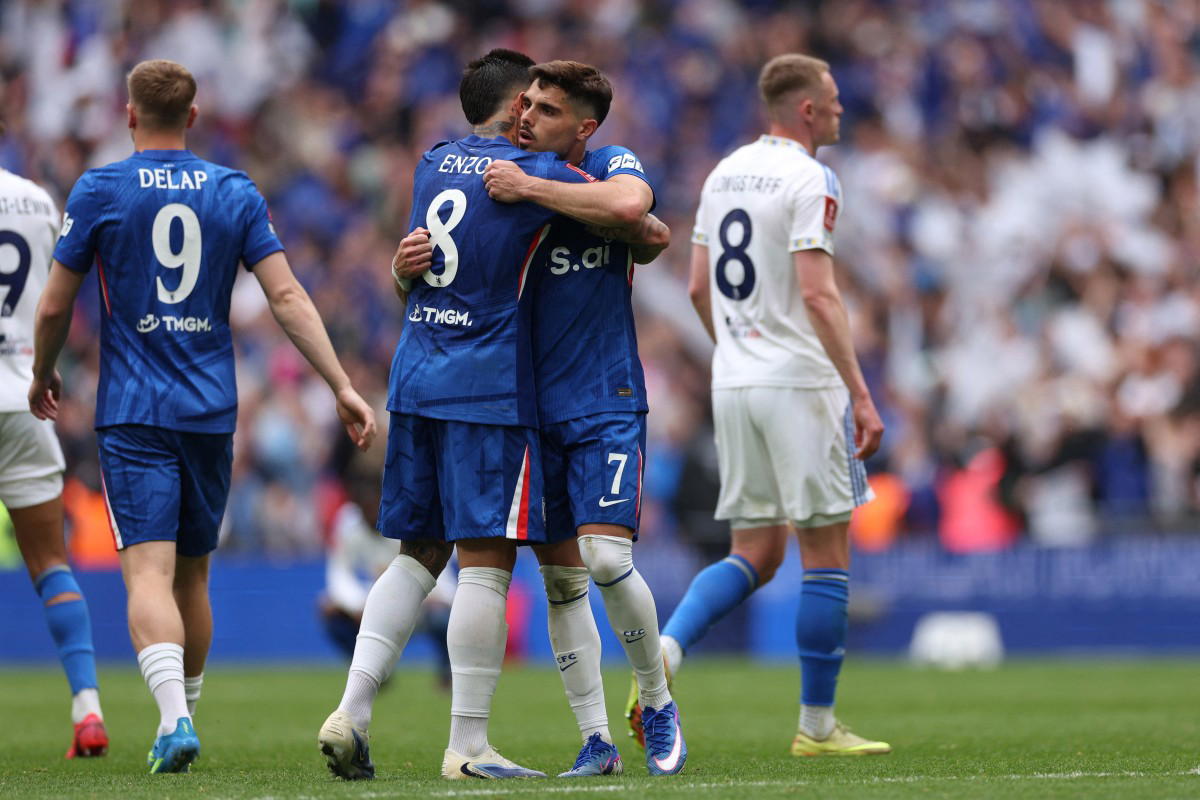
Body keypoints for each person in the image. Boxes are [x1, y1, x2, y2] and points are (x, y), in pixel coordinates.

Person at [29, 59, 376, 774]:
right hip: (211, 411)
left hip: (133, 411)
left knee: (147, 577)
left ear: (129, 115)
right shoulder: (234, 191)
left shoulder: (100, 189)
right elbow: (286, 298)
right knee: (194, 576)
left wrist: (41, 372)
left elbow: (57, 303)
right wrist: (339, 382)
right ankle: (183, 715)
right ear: (193, 116)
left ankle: (173, 719)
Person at [649, 53, 891, 757]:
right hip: (799, 381)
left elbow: (698, 285)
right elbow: (818, 292)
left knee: (754, 550)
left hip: (735, 379)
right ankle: (817, 727)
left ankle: (665, 650)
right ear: (808, 110)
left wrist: (734, 350)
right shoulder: (812, 177)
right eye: (835, 99)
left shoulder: (724, 172)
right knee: (826, 552)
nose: (843, 109)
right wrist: (861, 393)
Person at [481, 61, 685, 777]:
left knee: (605, 559)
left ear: (584, 128)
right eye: (526, 102)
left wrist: (535, 189)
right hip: (526, 407)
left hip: (603, 396)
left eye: (546, 108)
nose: (526, 114)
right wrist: (402, 271)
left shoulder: (604, 164)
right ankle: (596, 741)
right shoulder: (493, 170)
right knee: (563, 582)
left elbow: (636, 211)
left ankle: (656, 702)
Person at [0, 128, 108, 759]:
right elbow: (50, 301)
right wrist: (44, 367)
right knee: (49, 563)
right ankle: (88, 708)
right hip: (22, 396)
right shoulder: (37, 201)